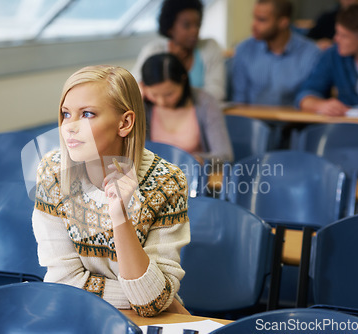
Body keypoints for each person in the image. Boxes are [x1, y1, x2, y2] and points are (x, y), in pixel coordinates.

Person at [31, 64, 190, 317]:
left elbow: (150, 304)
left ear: (125, 122)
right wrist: (149, 297)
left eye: (87, 114)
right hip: (78, 314)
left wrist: (120, 216)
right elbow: (62, 282)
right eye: (66, 114)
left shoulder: (167, 181)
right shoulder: (53, 172)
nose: (69, 126)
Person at [297, 1, 358, 123]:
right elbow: (305, 96)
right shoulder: (333, 55)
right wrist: (321, 105)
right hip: (343, 131)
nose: (336, 39)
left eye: (344, 36)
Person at [141, 53, 234, 164]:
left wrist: (194, 160)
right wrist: (133, 101)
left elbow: (225, 155)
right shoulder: (143, 106)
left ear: (183, 80)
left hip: (194, 175)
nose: (162, 102)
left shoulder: (205, 102)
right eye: (154, 95)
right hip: (156, 179)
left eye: (169, 94)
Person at [130, 0, 225, 104]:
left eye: (197, 24)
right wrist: (171, 62)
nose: (195, 31)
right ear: (170, 28)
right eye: (187, 25)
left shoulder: (209, 47)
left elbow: (217, 93)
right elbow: (134, 86)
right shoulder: (153, 51)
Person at [231, 0, 321, 106]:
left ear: (283, 22)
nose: (253, 25)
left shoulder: (310, 53)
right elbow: (239, 100)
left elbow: (312, 95)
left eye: (262, 20)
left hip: (296, 121)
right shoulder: (244, 49)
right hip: (251, 120)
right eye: (254, 18)